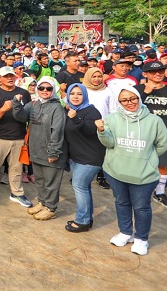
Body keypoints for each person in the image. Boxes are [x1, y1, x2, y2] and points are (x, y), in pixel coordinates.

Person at [96, 85, 167, 255]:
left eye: (133, 98)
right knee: (121, 203)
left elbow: (162, 145)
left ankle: (141, 238)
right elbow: (109, 143)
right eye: (125, 100)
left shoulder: (154, 120)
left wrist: (145, 158)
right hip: (116, 172)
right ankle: (125, 232)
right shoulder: (112, 118)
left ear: (138, 97)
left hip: (143, 174)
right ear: (119, 102)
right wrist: (101, 131)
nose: (130, 103)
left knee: (142, 207)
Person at [12, 76, 67, 221]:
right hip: (36, 149)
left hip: (50, 152)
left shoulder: (57, 108)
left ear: (53, 90)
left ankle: (51, 207)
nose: (44, 91)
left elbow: (58, 130)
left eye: (48, 88)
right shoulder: (34, 104)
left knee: (51, 182)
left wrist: (54, 151)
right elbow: (21, 117)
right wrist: (16, 104)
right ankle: (42, 202)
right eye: (41, 88)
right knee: (40, 180)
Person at [0, 66, 33, 208]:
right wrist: (4, 108)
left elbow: (28, 115)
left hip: (19, 137)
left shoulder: (24, 93)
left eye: (11, 75)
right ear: (0, 79)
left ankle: (16, 193)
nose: (10, 78)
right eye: (6, 76)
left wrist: (28, 136)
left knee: (17, 168)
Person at [136, 61, 167, 210]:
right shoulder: (136, 90)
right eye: (153, 72)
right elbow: (130, 108)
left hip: (163, 134)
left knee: (163, 164)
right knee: (139, 162)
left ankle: (160, 192)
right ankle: (138, 190)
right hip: (140, 133)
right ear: (145, 74)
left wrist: (147, 112)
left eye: (161, 71)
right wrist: (145, 92)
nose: (158, 74)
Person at [64, 83, 104, 232]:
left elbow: (89, 130)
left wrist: (75, 119)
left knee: (79, 186)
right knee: (84, 187)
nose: (75, 96)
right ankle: (87, 217)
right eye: (72, 93)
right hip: (76, 157)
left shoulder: (92, 111)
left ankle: (82, 221)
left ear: (85, 95)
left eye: (79, 94)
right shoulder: (69, 110)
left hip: (90, 158)